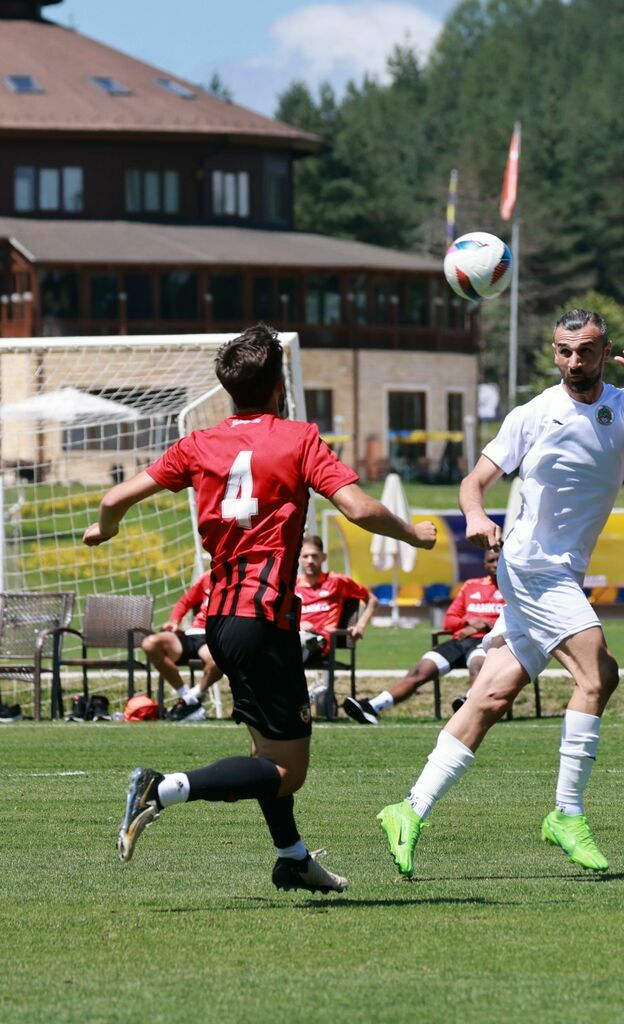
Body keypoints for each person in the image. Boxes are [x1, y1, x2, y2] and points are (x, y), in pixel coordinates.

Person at [85, 323, 436, 894]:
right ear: (279, 387)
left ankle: (292, 857)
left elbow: (112, 498)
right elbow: (359, 508)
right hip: (265, 617)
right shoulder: (298, 438)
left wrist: (103, 531)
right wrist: (411, 534)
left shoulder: (197, 444)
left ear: (230, 389)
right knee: (286, 771)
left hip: (219, 621)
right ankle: (162, 789)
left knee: (263, 751)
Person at [376, 308, 624, 877]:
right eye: (566, 351)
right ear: (554, 353)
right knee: (599, 675)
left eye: (587, 350)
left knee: (493, 696)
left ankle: (408, 808)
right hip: (532, 565)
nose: (576, 361)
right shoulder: (534, 414)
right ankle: (566, 814)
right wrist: (475, 516)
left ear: (605, 351)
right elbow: (473, 481)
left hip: (559, 572)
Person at [344, 547, 504, 723]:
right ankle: (372, 707)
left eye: (499, 559)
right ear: (484, 564)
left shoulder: (514, 589)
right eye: (491, 561)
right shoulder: (471, 586)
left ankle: (470, 705)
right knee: (420, 671)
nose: (495, 564)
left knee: (478, 666)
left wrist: (487, 624)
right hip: (459, 641)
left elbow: (518, 621)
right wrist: (468, 623)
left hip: (489, 642)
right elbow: (449, 621)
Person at [140, 568, 224, 722]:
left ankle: (191, 698)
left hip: (215, 636)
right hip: (193, 633)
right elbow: (185, 601)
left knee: (217, 660)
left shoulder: (242, 578)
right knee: (150, 643)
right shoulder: (207, 576)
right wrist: (174, 621)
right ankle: (188, 698)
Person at [294, 534, 376, 666]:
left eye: (314, 556)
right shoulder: (293, 585)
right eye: (305, 556)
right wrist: (299, 623)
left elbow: (372, 600)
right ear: (299, 559)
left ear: (323, 557)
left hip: (320, 643)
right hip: (295, 636)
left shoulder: (336, 581)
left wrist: (360, 626)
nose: (310, 560)